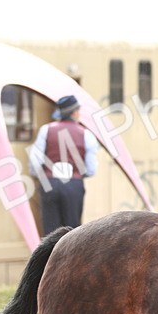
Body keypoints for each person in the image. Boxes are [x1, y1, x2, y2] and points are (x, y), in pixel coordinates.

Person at [29, 95, 98, 234]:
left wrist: (41, 176)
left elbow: (35, 160)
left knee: (50, 232)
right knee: (72, 233)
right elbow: (91, 169)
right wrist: (77, 175)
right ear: (74, 112)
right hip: (73, 184)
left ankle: (49, 256)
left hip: (50, 183)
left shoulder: (46, 130)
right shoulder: (86, 134)